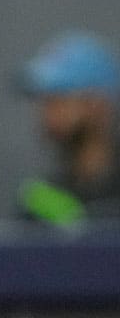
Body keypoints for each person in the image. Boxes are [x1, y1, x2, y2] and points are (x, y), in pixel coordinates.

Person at [18, 31, 120, 225]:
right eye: (44, 102)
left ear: (96, 105)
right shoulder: (39, 198)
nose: (47, 114)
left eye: (58, 100)